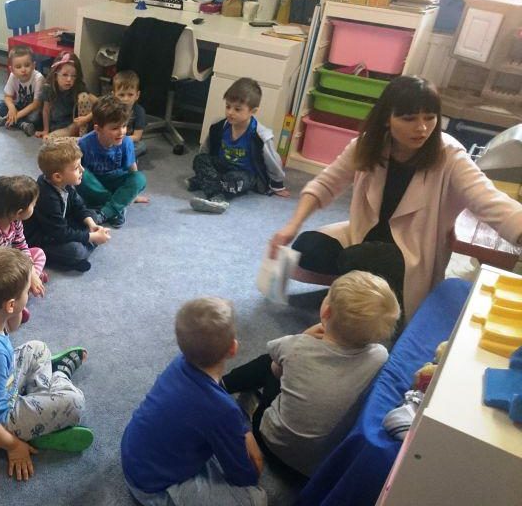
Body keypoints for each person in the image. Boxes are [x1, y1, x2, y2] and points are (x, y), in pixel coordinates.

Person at [270, 75, 522, 321]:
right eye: (409, 118)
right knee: (308, 247)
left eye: (430, 117)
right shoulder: (368, 145)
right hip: (364, 234)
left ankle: (374, 297)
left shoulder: (450, 155)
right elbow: (325, 183)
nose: (422, 127)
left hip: (413, 251)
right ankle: (360, 289)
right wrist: (292, 225)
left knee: (355, 258)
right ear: (386, 119)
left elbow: (488, 200)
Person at [222, 271, 398, 478]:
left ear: (326, 312)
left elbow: (276, 368)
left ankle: (224, 385)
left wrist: (303, 336)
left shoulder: (296, 347)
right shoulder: (380, 356)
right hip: (319, 465)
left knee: (268, 363)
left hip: (271, 443)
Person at [0, 246, 92, 481]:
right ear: (10, 304)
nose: (29, 293)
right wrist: (14, 446)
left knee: (38, 347)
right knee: (75, 403)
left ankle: (43, 395)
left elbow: (11, 327)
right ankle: (59, 377)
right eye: (26, 291)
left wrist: (16, 309)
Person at [121, 297, 267, 506]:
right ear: (233, 348)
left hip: (134, 454)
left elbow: (216, 399)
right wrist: (254, 463)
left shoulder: (179, 362)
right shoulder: (223, 410)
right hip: (155, 488)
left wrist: (242, 430)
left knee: (213, 433)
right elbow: (243, 476)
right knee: (255, 499)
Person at [188, 78, 289, 214]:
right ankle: (213, 187)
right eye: (228, 106)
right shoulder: (219, 126)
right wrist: (204, 167)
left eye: (237, 109)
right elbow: (206, 149)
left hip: (245, 174)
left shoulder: (261, 135)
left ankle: (215, 195)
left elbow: (273, 162)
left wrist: (277, 185)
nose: (230, 112)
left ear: (253, 111)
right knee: (199, 159)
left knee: (233, 180)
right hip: (223, 166)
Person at [23, 138, 111, 272]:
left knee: (93, 216)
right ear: (58, 176)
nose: (82, 169)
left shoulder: (64, 184)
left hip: (60, 225)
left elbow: (79, 207)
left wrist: (92, 225)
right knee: (76, 251)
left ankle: (87, 244)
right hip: (44, 238)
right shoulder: (46, 197)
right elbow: (59, 233)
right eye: (76, 168)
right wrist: (92, 237)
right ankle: (74, 258)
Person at [77, 95, 148, 228]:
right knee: (81, 175)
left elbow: (133, 171)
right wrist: (125, 197)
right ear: (98, 129)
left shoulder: (126, 142)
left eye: (124, 126)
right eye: (115, 128)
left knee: (139, 178)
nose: (121, 132)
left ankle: (105, 211)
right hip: (94, 184)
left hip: (115, 181)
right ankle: (116, 206)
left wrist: (133, 193)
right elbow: (78, 172)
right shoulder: (84, 143)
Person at [36, 52, 89, 139]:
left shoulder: (78, 88)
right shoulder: (48, 88)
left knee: (84, 96)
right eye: (65, 75)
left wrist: (86, 118)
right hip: (55, 125)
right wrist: (46, 130)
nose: (69, 79)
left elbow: (99, 104)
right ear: (55, 75)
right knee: (47, 138)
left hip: (72, 126)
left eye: (73, 76)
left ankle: (81, 138)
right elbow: (46, 110)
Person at [0, 45, 44, 137]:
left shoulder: (38, 78)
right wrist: (11, 108)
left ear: (34, 65)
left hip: (33, 110)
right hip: (20, 106)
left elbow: (36, 104)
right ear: (12, 69)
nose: (23, 70)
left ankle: (8, 120)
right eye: (18, 67)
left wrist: (16, 116)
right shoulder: (13, 76)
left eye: (27, 65)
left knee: (35, 119)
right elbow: (7, 96)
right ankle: (22, 125)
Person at [112, 70, 147, 158]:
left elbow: (137, 136)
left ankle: (119, 156)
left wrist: (121, 139)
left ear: (137, 95)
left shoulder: (139, 111)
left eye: (130, 95)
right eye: (121, 95)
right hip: (112, 139)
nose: (126, 99)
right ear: (114, 95)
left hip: (128, 141)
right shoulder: (111, 109)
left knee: (142, 145)